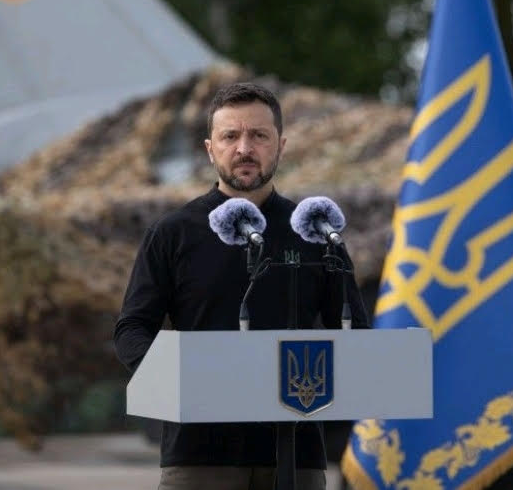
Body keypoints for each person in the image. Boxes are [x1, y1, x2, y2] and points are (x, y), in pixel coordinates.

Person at [113, 81, 370, 490]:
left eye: (259, 136)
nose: (244, 148)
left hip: (296, 456)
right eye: (230, 136)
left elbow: (356, 333)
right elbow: (131, 331)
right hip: (199, 454)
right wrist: (178, 380)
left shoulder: (316, 231)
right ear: (210, 148)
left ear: (281, 146)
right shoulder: (173, 233)